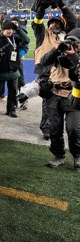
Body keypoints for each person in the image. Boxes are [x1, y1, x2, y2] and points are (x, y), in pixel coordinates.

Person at [32, 0, 76, 140]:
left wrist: (62, 6)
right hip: (46, 69)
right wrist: (41, 9)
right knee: (47, 101)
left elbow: (72, 21)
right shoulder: (42, 34)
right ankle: (46, 128)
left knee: (66, 99)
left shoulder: (67, 35)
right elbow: (37, 22)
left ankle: (67, 125)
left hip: (64, 70)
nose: (54, 25)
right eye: (52, 23)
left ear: (62, 26)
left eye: (57, 23)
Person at [38, 28, 80, 169]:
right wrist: (55, 50)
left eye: (75, 42)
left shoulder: (77, 55)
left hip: (73, 95)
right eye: (69, 40)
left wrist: (73, 54)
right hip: (54, 93)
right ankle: (58, 155)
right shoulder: (58, 50)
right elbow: (43, 61)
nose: (70, 44)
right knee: (54, 129)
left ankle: (77, 155)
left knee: (74, 129)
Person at [0, 20, 22, 117]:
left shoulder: (15, 38)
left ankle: (11, 110)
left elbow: (26, 40)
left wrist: (18, 29)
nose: (10, 31)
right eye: (7, 29)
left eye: (11, 29)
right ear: (3, 29)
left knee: (13, 91)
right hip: (0, 70)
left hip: (14, 70)